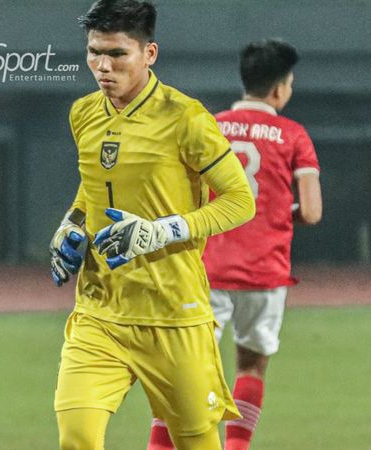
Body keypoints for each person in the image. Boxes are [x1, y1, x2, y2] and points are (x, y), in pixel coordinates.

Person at [49, 1, 257, 448]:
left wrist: (164, 230)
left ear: (150, 54)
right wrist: (70, 225)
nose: (102, 66)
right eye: (93, 52)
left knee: (196, 442)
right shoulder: (83, 113)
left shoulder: (185, 118)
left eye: (117, 54)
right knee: (77, 437)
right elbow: (92, 191)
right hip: (99, 312)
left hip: (172, 313)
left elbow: (241, 201)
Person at [146, 39, 322, 450]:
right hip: (264, 273)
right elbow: (311, 211)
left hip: (203, 270)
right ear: (279, 89)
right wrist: (280, 213)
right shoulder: (293, 136)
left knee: (184, 368)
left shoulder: (209, 125)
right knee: (251, 367)